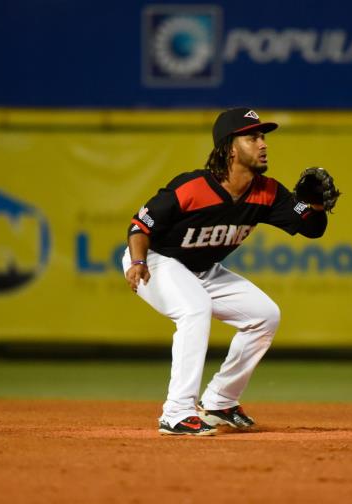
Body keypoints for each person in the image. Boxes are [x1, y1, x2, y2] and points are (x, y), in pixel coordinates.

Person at [123, 107, 339, 436]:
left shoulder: (267, 192)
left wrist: (317, 206)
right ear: (230, 148)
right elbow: (140, 225)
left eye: (263, 137)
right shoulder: (192, 187)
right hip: (155, 260)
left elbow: (311, 228)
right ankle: (176, 412)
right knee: (194, 308)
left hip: (201, 269)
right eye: (252, 138)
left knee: (264, 315)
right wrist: (138, 262)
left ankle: (220, 401)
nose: (263, 144)